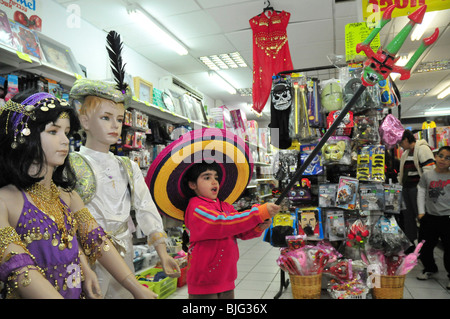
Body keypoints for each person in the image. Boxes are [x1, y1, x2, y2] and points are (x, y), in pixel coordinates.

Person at [0, 91, 156, 299]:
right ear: (23, 134)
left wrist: (135, 287)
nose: (65, 140)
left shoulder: (68, 196)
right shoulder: (6, 200)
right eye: (53, 131)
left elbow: (98, 241)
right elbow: (20, 269)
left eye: (66, 132)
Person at [183, 161, 280, 299]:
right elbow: (222, 223)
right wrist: (259, 213)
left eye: (216, 177)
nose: (214, 182)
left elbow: (240, 231)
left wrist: (259, 225)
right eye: (207, 177)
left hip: (226, 276)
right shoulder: (196, 207)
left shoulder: (225, 206)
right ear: (192, 185)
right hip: (204, 279)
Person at [416, 146, 450, 288]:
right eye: (441, 156)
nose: (443, 160)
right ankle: (430, 268)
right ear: (435, 157)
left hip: (447, 218)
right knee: (424, 246)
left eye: (447, 158)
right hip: (430, 217)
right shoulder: (427, 175)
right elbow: (421, 192)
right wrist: (421, 212)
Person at [398, 129, 435, 247]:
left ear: (406, 139)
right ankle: (411, 243)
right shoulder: (405, 153)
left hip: (417, 189)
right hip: (406, 188)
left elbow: (429, 170)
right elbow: (402, 172)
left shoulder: (423, 149)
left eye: (401, 142)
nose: (400, 145)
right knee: (407, 217)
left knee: (421, 216)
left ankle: (425, 243)